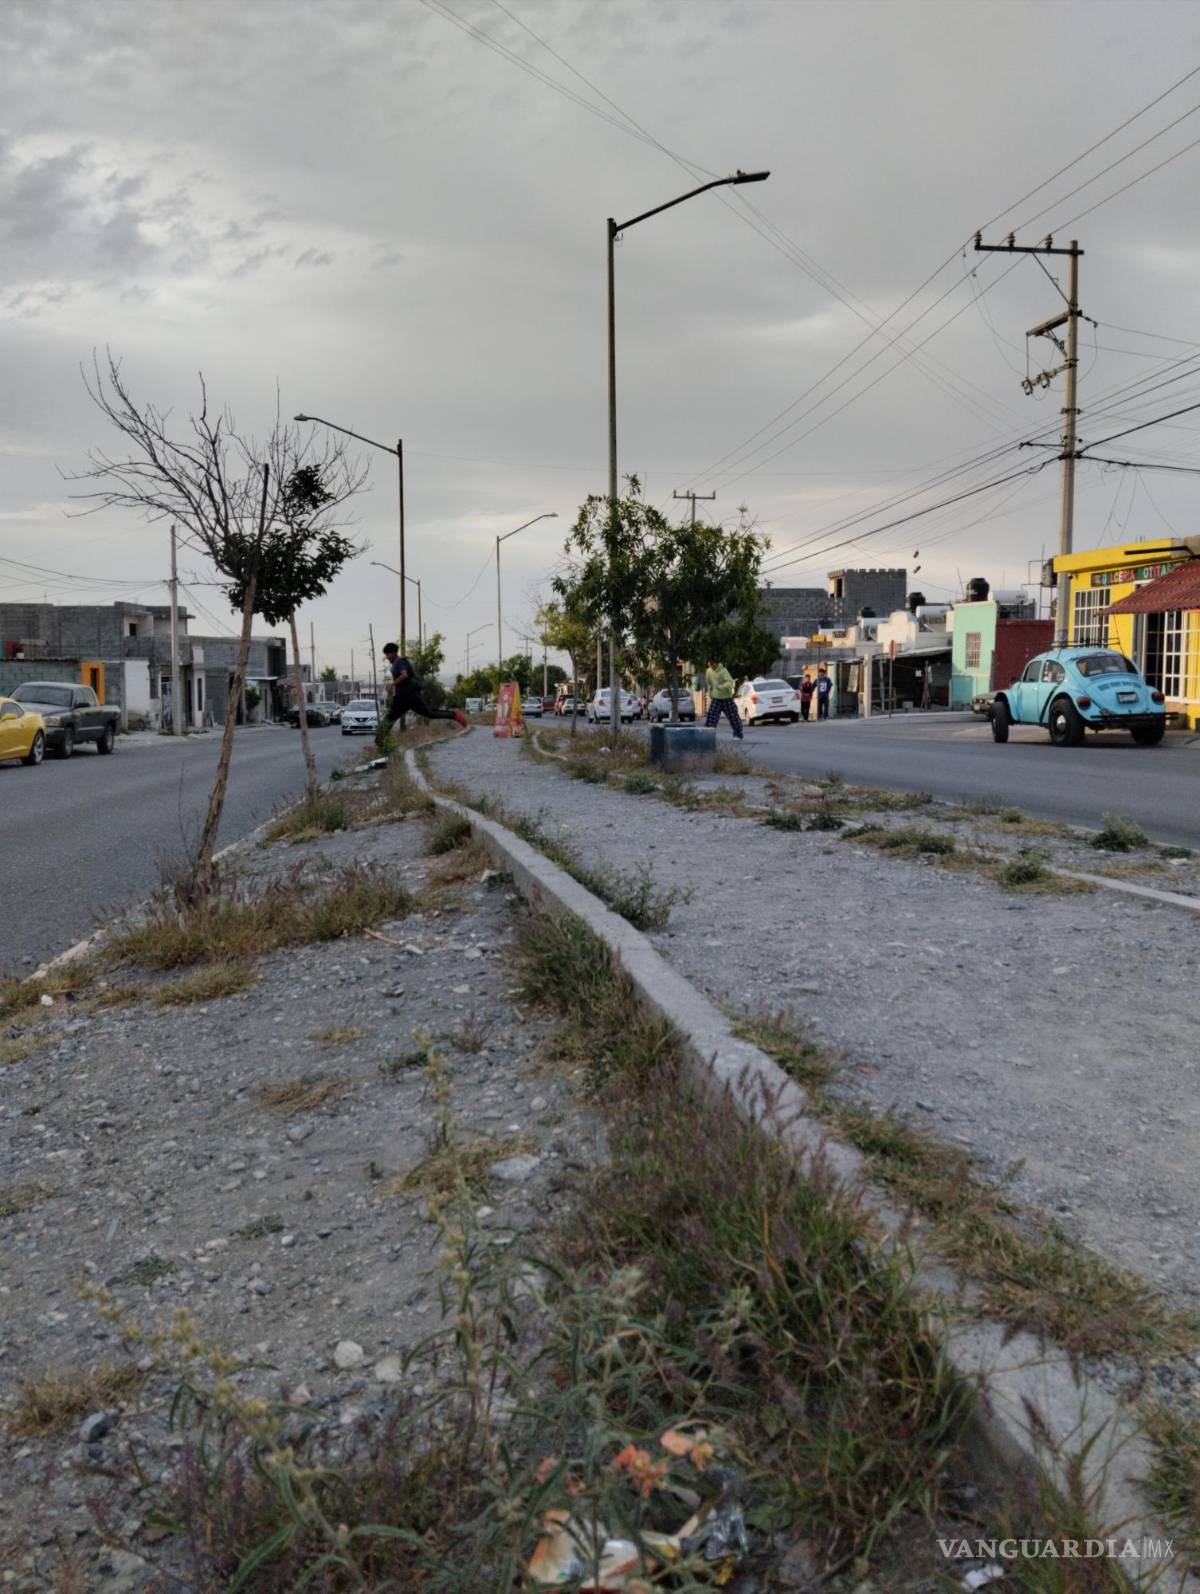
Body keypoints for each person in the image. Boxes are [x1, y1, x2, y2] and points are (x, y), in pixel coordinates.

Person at [381, 643, 467, 730]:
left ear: (394, 653)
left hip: (410, 696)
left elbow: (404, 675)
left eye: (388, 654)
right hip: (403, 697)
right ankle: (380, 742)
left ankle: (454, 714)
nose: (387, 657)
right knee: (390, 718)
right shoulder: (396, 663)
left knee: (429, 714)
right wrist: (393, 692)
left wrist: (392, 684)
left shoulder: (399, 662)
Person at [703, 659, 743, 740]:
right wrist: (710, 694)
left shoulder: (723, 670)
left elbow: (730, 682)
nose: (711, 667)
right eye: (709, 665)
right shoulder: (708, 672)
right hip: (716, 698)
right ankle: (708, 735)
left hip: (726, 698)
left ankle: (738, 734)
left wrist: (721, 687)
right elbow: (709, 684)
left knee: (733, 716)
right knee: (711, 716)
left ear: (716, 663)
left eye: (712, 665)